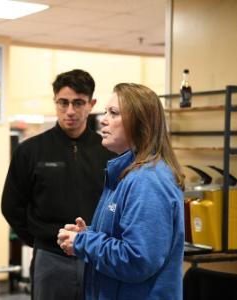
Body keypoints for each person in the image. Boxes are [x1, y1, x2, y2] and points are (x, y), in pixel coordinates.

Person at [57, 83, 185, 300]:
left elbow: (137, 259)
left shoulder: (148, 181)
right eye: (105, 112)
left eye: (114, 113)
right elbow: (125, 238)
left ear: (140, 124)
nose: (103, 119)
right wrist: (87, 235)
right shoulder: (126, 174)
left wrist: (83, 243)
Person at [1, 69, 115, 300]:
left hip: (97, 255)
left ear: (91, 104)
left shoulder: (109, 151)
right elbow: (12, 206)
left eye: (78, 103)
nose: (70, 111)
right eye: (63, 103)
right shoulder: (30, 151)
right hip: (51, 258)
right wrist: (42, 239)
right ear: (55, 102)